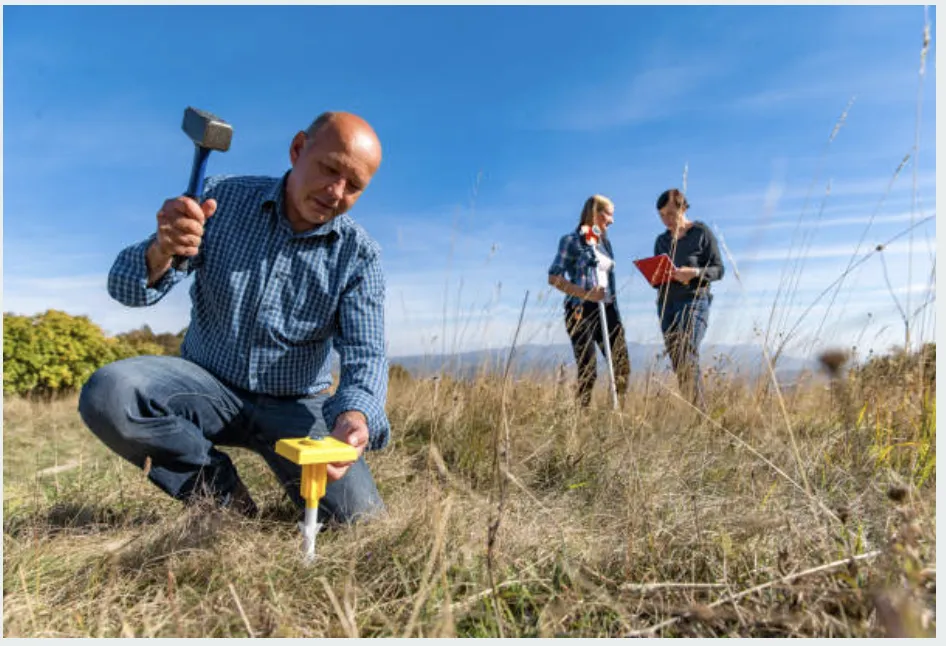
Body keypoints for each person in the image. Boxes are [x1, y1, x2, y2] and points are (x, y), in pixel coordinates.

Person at [78, 111, 389, 525]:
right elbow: (127, 289)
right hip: (205, 386)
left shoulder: (359, 256)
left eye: (354, 186)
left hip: (297, 405)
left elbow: (365, 353)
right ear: (298, 150)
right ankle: (225, 499)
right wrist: (162, 250)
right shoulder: (220, 201)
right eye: (329, 169)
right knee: (111, 393)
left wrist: (355, 416)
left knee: (362, 523)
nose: (336, 192)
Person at [548, 195, 630, 408]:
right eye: (608, 214)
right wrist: (584, 294)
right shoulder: (570, 241)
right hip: (580, 310)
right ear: (594, 213)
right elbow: (554, 277)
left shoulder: (605, 243)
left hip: (609, 309)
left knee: (622, 366)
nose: (611, 220)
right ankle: (580, 418)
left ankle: (616, 417)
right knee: (588, 369)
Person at [652, 188, 724, 412]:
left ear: (683, 208)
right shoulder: (662, 241)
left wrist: (694, 273)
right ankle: (693, 411)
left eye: (671, 214)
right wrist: (656, 275)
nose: (666, 220)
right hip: (666, 304)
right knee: (677, 358)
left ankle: (700, 415)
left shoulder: (701, 233)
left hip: (694, 300)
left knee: (687, 351)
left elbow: (719, 270)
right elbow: (657, 278)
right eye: (662, 215)